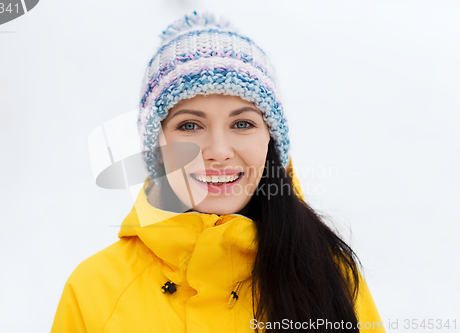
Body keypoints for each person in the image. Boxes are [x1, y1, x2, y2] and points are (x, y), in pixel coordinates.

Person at [51, 11, 386, 333]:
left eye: (242, 123)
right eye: (190, 125)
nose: (219, 151)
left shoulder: (328, 273)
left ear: (270, 139)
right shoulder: (94, 291)